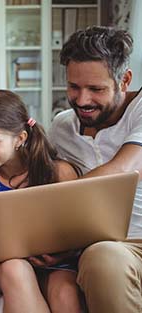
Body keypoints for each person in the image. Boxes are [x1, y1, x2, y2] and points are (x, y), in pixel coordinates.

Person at [0, 88, 81, 313]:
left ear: (20, 139)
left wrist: (58, 254)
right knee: (16, 268)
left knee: (66, 294)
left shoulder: (58, 173)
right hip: (3, 265)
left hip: (55, 264)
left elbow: (77, 232)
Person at [48, 26, 142, 313]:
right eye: (74, 87)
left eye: (96, 89)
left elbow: (125, 168)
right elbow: (33, 180)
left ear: (124, 80)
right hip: (106, 249)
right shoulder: (61, 127)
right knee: (102, 258)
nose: (83, 100)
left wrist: (45, 208)